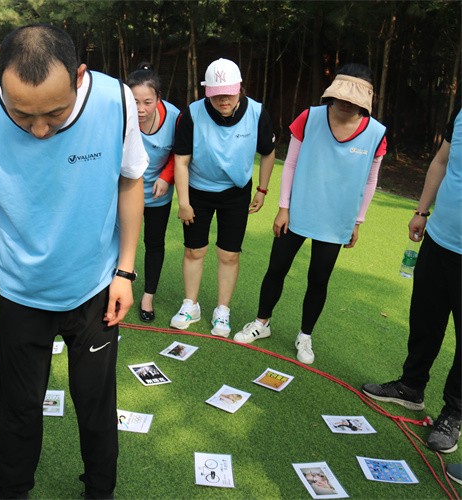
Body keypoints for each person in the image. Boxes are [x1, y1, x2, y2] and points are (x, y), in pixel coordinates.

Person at [0, 24, 147, 499]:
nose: (39, 129)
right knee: (18, 409)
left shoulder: (115, 101)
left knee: (96, 404)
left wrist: (125, 270)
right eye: (21, 113)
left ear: (79, 76)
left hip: (95, 287)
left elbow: (130, 179)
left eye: (54, 113)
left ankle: (100, 491)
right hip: (22, 291)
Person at [233, 63, 387, 365]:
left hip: (337, 219)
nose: (345, 103)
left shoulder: (377, 133)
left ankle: (305, 335)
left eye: (353, 99)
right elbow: (290, 163)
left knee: (318, 279)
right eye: (341, 96)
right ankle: (261, 322)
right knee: (276, 268)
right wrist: (284, 207)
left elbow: (371, 180)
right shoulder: (310, 117)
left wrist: (358, 221)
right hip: (297, 212)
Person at [363, 108, 460, 453]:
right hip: (439, 238)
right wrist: (421, 211)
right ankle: (411, 387)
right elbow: (441, 161)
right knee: (425, 319)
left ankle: (454, 413)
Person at [170, 58, 276, 336]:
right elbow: (181, 159)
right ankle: (190, 305)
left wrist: (262, 189)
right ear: (208, 92)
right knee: (194, 250)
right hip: (198, 190)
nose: (223, 99)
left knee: (229, 254)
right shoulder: (192, 113)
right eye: (217, 94)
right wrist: (184, 202)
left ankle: (222, 310)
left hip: (236, 192)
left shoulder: (257, 112)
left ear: (239, 88)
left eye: (228, 93)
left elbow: (268, 152)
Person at [127, 63, 180, 323]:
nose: (140, 109)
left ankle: (148, 296)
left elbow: (180, 154)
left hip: (158, 194)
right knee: (120, 240)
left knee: (154, 243)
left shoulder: (175, 117)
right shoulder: (120, 114)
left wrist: (166, 177)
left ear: (158, 97)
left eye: (147, 102)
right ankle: (120, 282)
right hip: (127, 190)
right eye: (135, 101)